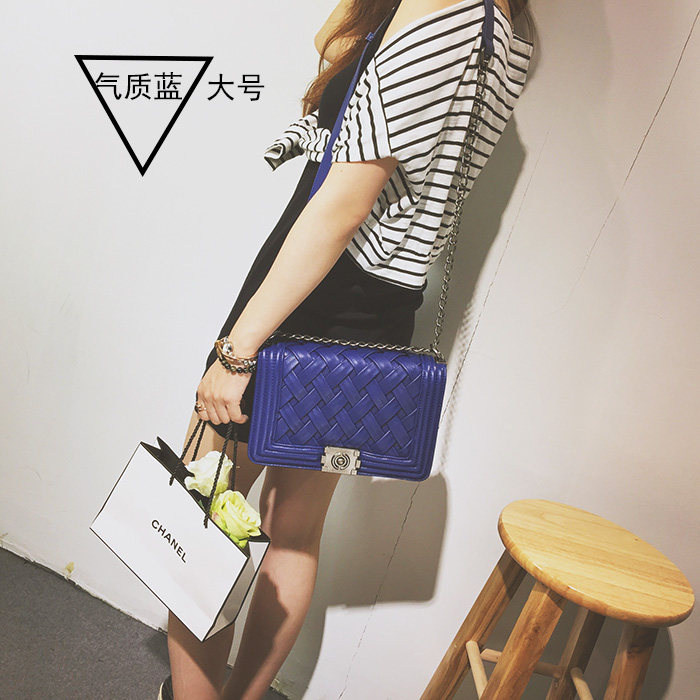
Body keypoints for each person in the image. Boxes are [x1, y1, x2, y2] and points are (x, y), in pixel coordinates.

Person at [160, 1, 534, 698]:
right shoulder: (509, 33)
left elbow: (342, 206)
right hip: (378, 319)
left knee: (204, 511)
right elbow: (336, 52)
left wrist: (238, 352)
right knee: (293, 535)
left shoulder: (435, 14)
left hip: (309, 300)